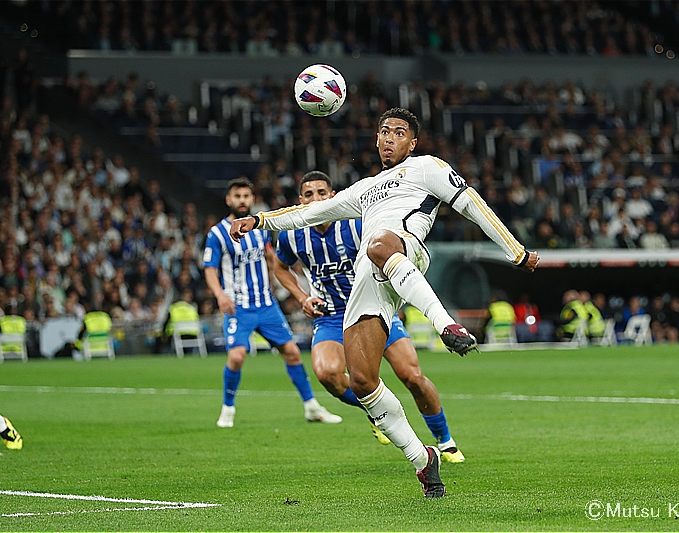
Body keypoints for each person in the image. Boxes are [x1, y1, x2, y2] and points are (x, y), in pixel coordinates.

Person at [230, 108, 539, 498]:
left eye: (399, 132)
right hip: (369, 277)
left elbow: (471, 203)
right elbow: (308, 213)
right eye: (384, 132)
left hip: (405, 250)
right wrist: (259, 221)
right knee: (362, 381)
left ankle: (446, 324)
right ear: (376, 140)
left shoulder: (427, 167)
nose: (390, 138)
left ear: (413, 142)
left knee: (378, 245)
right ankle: (423, 459)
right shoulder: (363, 189)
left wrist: (515, 251)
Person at [272, 171, 464, 463]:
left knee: (411, 376)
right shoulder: (291, 235)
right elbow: (280, 267)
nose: (316, 199)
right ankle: (376, 411)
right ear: (300, 201)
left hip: (375, 309)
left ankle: (445, 441)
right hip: (332, 317)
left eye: (321, 193)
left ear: (332, 196)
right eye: (309, 195)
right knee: (328, 374)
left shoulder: (356, 225)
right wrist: (302, 298)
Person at [204, 177, 341, 428]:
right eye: (237, 196)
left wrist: (275, 280)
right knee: (236, 357)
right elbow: (210, 269)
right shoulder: (217, 234)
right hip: (238, 306)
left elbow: (270, 257)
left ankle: (311, 406)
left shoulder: (258, 229)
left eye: (246, 196)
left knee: (291, 353)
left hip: (266, 305)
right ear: (228, 200)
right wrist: (220, 296)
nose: (242, 200)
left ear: (252, 199)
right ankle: (228, 409)